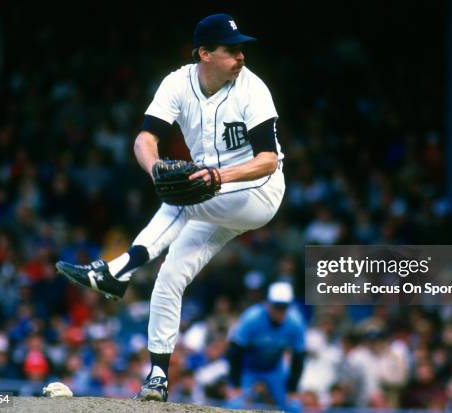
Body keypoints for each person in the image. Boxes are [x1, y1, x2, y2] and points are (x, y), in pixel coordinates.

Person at [55, 13, 285, 402]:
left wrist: (218, 178)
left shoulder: (253, 88)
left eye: (241, 48)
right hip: (210, 196)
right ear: (204, 54)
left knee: (187, 195)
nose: (241, 56)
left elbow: (268, 160)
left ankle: (119, 269)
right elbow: (145, 138)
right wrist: (156, 168)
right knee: (170, 276)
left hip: (257, 191)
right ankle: (158, 376)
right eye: (231, 49)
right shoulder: (177, 83)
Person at [226, 282, 306, 412]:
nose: (280, 311)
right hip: (248, 369)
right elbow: (235, 351)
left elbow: (299, 357)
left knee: (293, 406)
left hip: (275, 369)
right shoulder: (252, 318)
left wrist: (292, 389)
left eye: (284, 307)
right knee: (234, 404)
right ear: (267, 304)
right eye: (276, 306)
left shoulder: (295, 323)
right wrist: (235, 384)